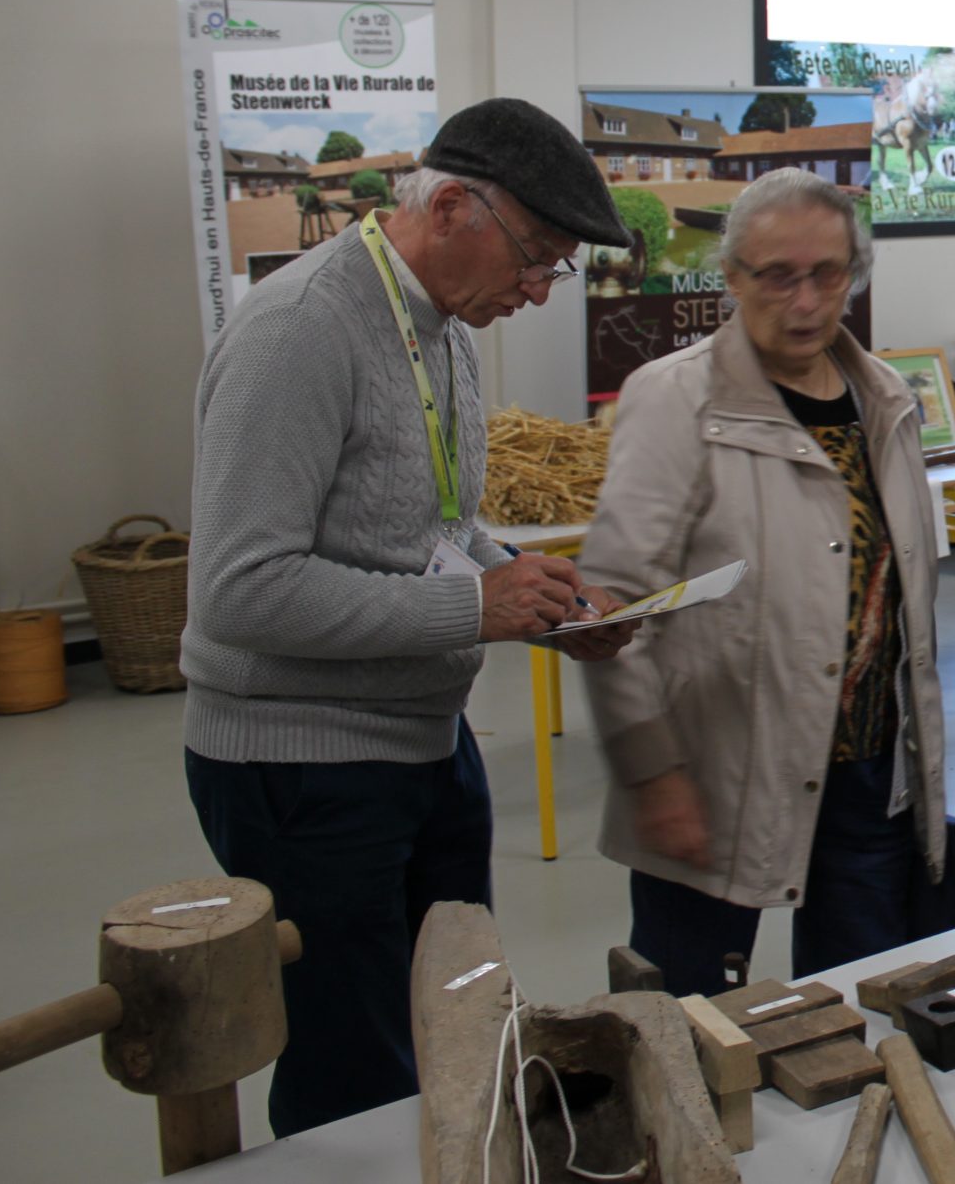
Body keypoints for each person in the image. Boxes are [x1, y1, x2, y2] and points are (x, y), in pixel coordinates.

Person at [182, 97, 634, 1137]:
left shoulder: (444, 324)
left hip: (423, 740)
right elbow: (241, 588)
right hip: (304, 765)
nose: (538, 288)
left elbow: (439, 524)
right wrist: (473, 605)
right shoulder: (301, 330)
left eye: (557, 267)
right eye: (534, 256)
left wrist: (539, 595)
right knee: (356, 1076)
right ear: (450, 208)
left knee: (456, 1030)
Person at [579, 169, 951, 998]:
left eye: (827, 273)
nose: (807, 301)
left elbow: (901, 604)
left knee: (862, 1005)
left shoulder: (885, 399)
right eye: (778, 276)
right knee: (693, 1017)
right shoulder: (676, 399)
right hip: (718, 778)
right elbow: (610, 605)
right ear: (732, 276)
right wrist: (653, 772)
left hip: (866, 769)